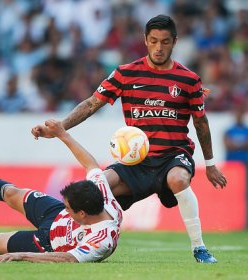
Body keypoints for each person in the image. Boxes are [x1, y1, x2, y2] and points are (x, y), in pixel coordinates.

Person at [32, 14, 227, 263]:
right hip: (137, 160)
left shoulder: (189, 80)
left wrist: (209, 165)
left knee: (178, 179)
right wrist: (60, 126)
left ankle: (199, 248)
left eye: (165, 42)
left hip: (172, 156)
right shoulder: (125, 74)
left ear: (174, 42)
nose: (159, 48)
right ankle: (69, 240)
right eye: (154, 41)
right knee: (97, 186)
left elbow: (201, 122)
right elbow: (92, 103)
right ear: (145, 40)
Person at [0, 119, 122, 263]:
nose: (68, 207)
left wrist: (22, 255)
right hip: (55, 213)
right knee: (11, 193)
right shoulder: (102, 196)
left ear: (81, 213)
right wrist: (62, 134)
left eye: (69, 207)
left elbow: (69, 258)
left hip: (48, 243)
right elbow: (90, 164)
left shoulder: (102, 240)